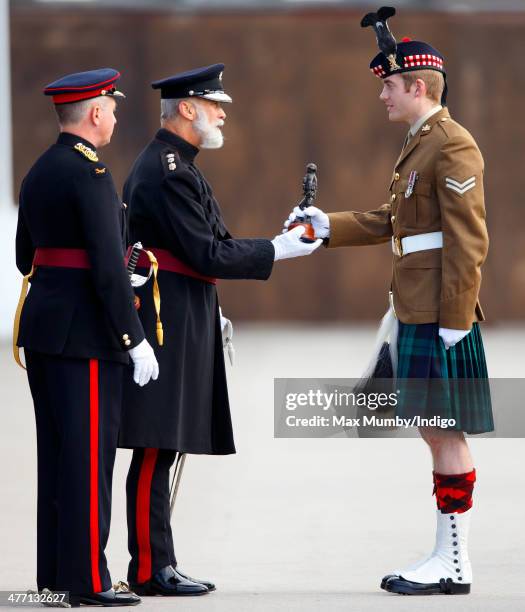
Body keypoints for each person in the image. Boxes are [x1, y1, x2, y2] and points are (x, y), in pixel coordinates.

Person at [284, 7, 491, 596]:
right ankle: (445, 555)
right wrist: (327, 225)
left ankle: (453, 562)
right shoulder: (420, 144)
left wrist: (455, 320)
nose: (382, 95)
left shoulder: (451, 145)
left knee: (444, 431)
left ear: (416, 86)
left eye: (388, 85)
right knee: (435, 431)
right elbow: (393, 221)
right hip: (417, 308)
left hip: (436, 313)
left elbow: (469, 239)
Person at [119, 63, 321, 596]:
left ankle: (160, 560)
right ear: (186, 108)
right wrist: (278, 250)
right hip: (165, 317)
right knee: (156, 443)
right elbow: (205, 252)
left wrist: (268, 246)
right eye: (214, 103)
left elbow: (211, 245)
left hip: (184, 309)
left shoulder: (181, 164)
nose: (222, 111)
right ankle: (148, 568)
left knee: (167, 445)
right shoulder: (168, 169)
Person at [15, 68, 159, 607]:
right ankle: (89, 581)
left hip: (47, 330)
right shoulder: (91, 173)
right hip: (88, 339)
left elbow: (25, 256)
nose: (116, 116)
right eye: (112, 107)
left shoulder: (39, 170)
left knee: (56, 457)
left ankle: (54, 576)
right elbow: (103, 267)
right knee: (90, 460)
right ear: (95, 113)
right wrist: (133, 337)